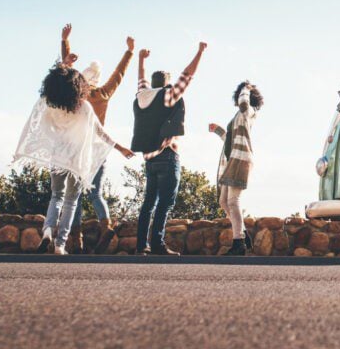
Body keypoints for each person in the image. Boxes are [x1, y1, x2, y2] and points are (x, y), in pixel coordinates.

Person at [14, 61, 135, 254]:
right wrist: (120, 148)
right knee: (71, 202)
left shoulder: (51, 106)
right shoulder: (84, 108)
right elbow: (100, 133)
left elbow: (44, 104)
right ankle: (60, 244)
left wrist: (65, 64)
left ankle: (47, 231)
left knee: (56, 197)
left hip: (58, 158)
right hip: (77, 162)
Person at [59, 24, 135, 254]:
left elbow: (64, 73)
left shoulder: (77, 94)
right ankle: (106, 227)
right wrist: (129, 52)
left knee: (74, 195)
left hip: (78, 149)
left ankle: (76, 239)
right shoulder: (102, 94)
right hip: (99, 149)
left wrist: (65, 41)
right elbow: (119, 75)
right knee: (95, 193)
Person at [132, 42, 207, 255]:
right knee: (165, 203)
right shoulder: (167, 96)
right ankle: (157, 244)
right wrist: (200, 52)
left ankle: (141, 246)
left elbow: (141, 79)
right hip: (167, 155)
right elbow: (187, 75)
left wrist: (141, 59)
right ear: (165, 84)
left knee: (148, 204)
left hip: (149, 159)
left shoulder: (141, 96)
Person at [208, 81, 264, 256]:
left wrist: (246, 88)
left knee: (233, 201)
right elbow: (231, 140)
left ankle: (238, 242)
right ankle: (244, 234)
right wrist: (218, 131)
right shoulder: (239, 115)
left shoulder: (249, 111)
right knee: (223, 202)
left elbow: (244, 103)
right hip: (232, 160)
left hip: (241, 160)